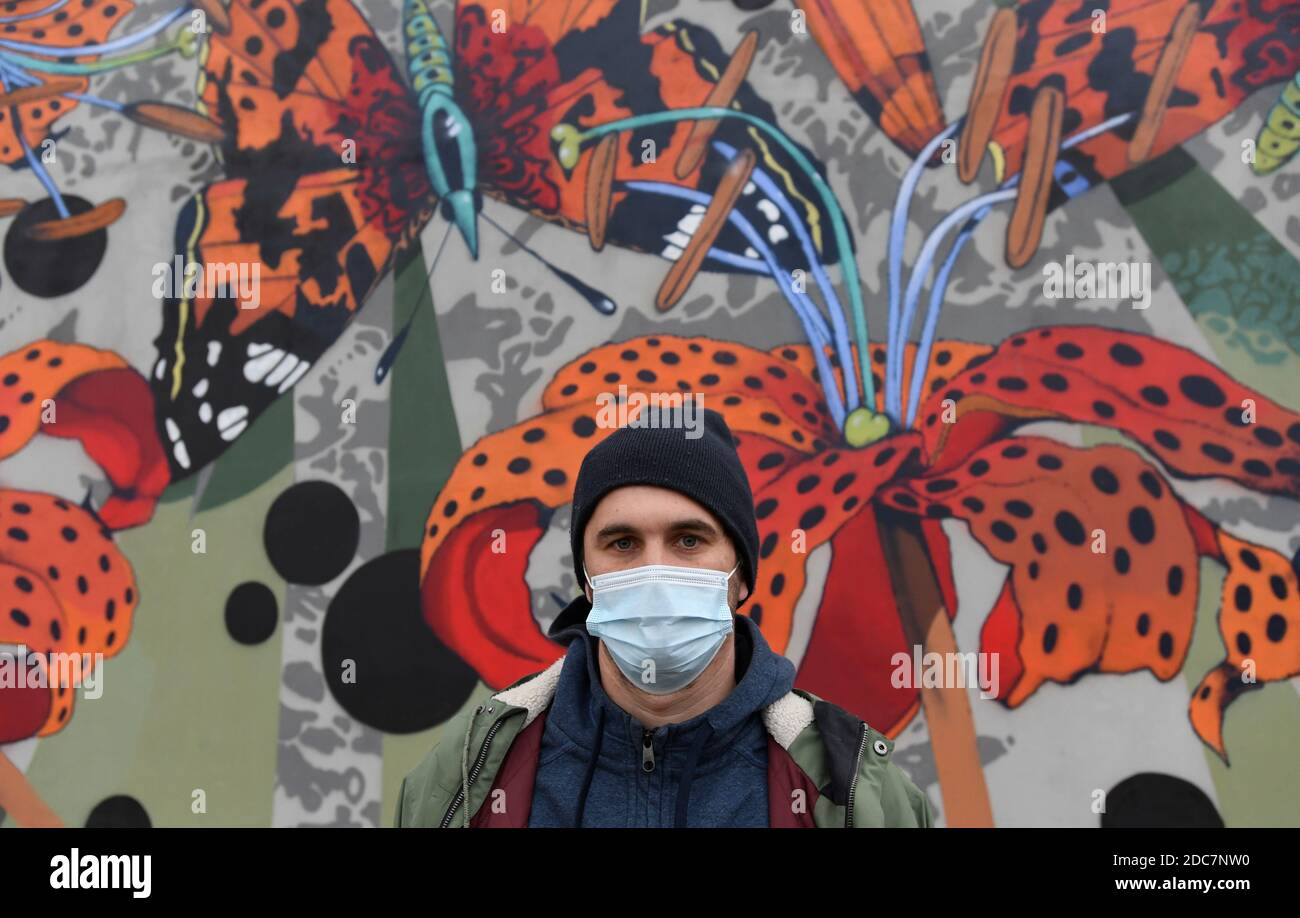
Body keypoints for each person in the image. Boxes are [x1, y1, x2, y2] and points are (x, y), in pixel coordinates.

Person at [395, 407, 933, 827]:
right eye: (623, 542)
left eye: (689, 540)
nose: (656, 569)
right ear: (587, 578)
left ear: (740, 576)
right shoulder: (467, 774)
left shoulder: (853, 788)